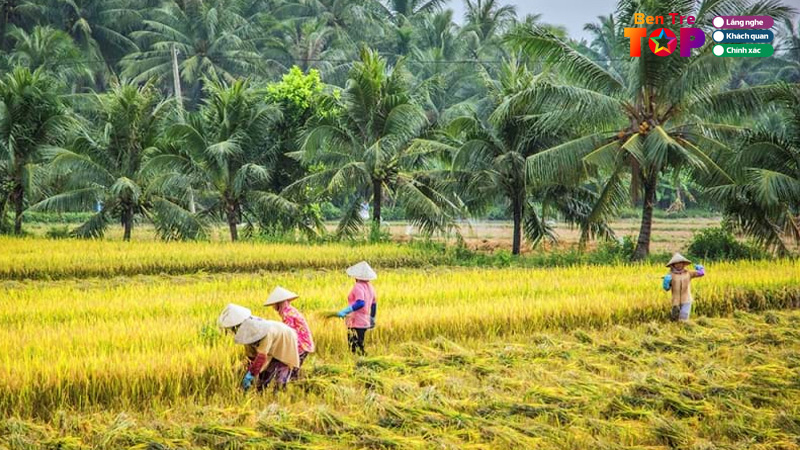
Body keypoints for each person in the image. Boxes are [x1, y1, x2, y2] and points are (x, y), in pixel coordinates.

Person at [235, 317, 300, 392]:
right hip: (274, 341)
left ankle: (280, 393)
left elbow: (261, 357)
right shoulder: (247, 337)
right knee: (266, 372)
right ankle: (261, 390)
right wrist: (250, 369)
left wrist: (251, 375)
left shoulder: (266, 334)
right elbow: (252, 357)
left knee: (283, 369)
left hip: (286, 339)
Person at [264, 286, 314, 376]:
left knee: (290, 367)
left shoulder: (287, 314)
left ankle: (292, 386)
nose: (273, 307)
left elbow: (289, 333)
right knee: (293, 368)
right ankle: (295, 384)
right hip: (304, 343)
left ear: (279, 303)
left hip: (301, 344)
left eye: (274, 304)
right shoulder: (289, 310)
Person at [337, 261, 378, 355]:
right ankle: (361, 361)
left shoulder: (358, 286)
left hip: (356, 320)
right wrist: (372, 319)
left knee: (354, 346)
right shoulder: (370, 287)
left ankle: (359, 362)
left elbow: (360, 303)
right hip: (364, 320)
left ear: (356, 276)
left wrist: (345, 311)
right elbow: (374, 304)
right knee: (360, 343)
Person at [662, 253, 705, 322]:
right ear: (673, 265)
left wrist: (701, 269)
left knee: (684, 317)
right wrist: (666, 283)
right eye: (676, 263)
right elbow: (667, 288)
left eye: (680, 263)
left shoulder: (688, 273)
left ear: (683, 264)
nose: (679, 265)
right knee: (675, 318)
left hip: (686, 299)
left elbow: (700, 274)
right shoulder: (670, 275)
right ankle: (676, 330)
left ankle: (684, 328)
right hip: (676, 300)